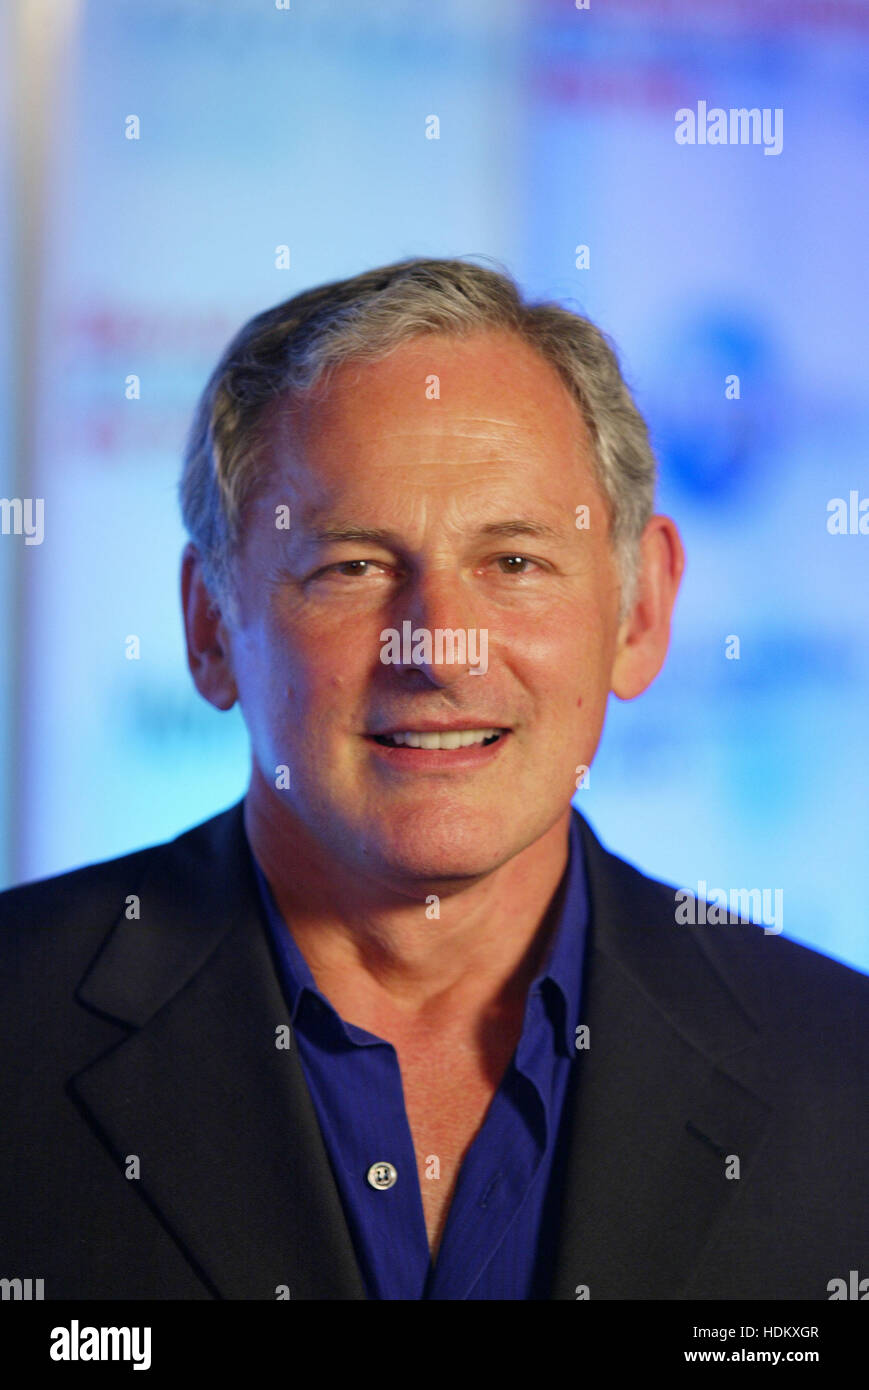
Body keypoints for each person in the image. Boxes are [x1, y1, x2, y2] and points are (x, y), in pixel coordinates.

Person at [1, 258, 866, 1301]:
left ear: (637, 612)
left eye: (513, 562)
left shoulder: (841, 1080)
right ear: (209, 625)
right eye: (352, 566)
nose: (442, 650)